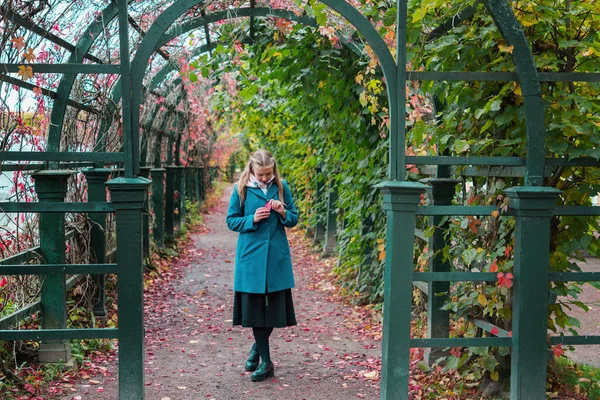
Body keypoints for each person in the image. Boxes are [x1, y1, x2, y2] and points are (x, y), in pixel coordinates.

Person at [226, 149, 299, 382]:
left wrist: (282, 211)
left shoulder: (282, 186)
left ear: (274, 169)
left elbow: (294, 218)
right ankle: (267, 362)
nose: (265, 178)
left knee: (277, 310)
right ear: (252, 169)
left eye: (269, 173)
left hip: (276, 257)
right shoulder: (241, 189)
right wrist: (251, 219)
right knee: (256, 311)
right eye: (261, 173)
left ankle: (258, 348)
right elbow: (231, 220)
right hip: (251, 258)